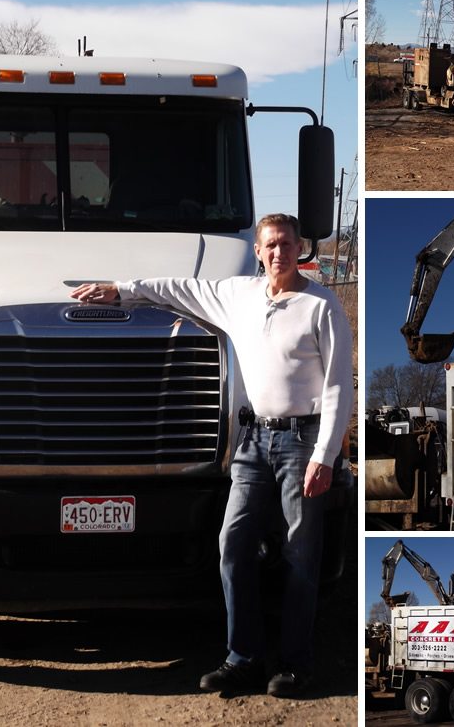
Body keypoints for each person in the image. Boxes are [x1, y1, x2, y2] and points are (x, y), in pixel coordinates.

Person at [69, 213, 353, 698]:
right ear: (259, 251)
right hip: (251, 444)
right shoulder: (237, 295)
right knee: (233, 544)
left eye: (287, 243)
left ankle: (296, 666)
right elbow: (178, 288)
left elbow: (338, 387)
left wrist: (324, 457)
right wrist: (121, 289)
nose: (278, 252)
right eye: (270, 245)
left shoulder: (321, 305)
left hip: (300, 444)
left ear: (300, 247)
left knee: (301, 557)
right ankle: (242, 659)